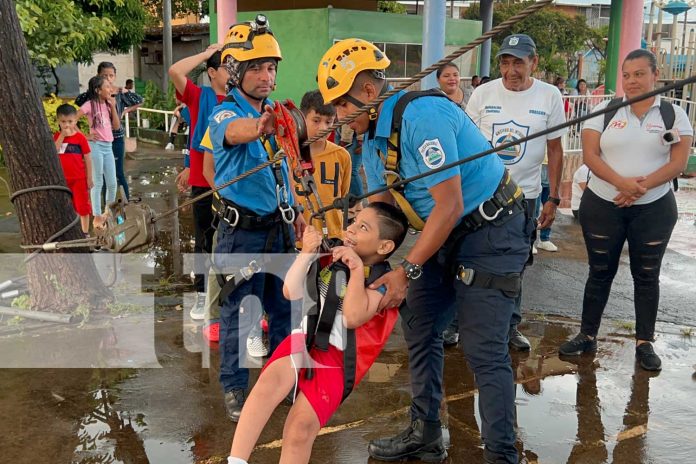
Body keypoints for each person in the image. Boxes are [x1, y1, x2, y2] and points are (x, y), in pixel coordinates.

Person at [317, 38, 531, 463]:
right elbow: (385, 208)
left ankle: (502, 456)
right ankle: (426, 432)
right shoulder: (373, 140)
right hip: (447, 232)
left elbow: (448, 203)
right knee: (421, 321)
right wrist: (349, 248)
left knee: (482, 346)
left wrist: (406, 270)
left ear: (366, 92)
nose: (335, 117)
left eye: (340, 105)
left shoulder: (422, 116)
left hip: (494, 229)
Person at [227, 204, 409, 464]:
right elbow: (290, 291)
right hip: (304, 337)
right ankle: (236, 460)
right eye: (354, 222)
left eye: (363, 228)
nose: (351, 229)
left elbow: (352, 316)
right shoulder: (331, 254)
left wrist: (356, 269)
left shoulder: (381, 283)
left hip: (336, 360)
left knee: (299, 429)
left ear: (384, 247)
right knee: (267, 386)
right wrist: (307, 252)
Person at [558, 49, 693, 371]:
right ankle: (587, 334)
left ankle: (644, 342)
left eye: (639, 74)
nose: (632, 81)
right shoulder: (604, 110)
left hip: (654, 208)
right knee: (599, 272)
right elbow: (591, 156)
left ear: (654, 75)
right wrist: (623, 184)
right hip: (603, 204)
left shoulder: (675, 115)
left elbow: (679, 163)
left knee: (647, 276)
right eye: (627, 75)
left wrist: (638, 188)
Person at [205, 15, 306, 422]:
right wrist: (261, 126)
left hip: (278, 229)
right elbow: (236, 132)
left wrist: (296, 210)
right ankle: (233, 387)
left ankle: (281, 381)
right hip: (241, 234)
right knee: (238, 311)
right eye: (257, 68)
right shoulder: (224, 115)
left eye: (270, 68)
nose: (266, 76)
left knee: (285, 310)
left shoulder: (278, 114)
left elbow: (284, 170)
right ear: (236, 73)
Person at [466, 34, 566, 352]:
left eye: (518, 62)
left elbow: (555, 149)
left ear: (533, 63)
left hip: (526, 197)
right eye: (506, 63)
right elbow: (465, 144)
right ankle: (456, 323)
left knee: (518, 262)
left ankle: (510, 325)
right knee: (466, 256)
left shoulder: (550, 96)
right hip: (481, 192)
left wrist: (554, 198)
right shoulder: (482, 94)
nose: (511, 70)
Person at [169, 43, 229, 319]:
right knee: (204, 237)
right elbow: (175, 70)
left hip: (232, 179)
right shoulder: (200, 96)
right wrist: (206, 54)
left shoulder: (239, 100)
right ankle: (202, 293)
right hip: (204, 179)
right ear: (213, 72)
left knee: (232, 238)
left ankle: (229, 292)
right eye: (227, 67)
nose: (233, 73)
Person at [75, 62, 143, 201]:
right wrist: (96, 89)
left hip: (116, 138)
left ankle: (125, 203)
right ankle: (106, 207)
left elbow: (139, 100)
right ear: (98, 76)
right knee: (101, 176)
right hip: (98, 141)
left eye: (111, 76)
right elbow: (78, 101)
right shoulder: (92, 97)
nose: (108, 78)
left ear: (115, 77)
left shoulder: (118, 94)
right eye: (104, 76)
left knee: (118, 173)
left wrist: (124, 104)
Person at [294, 89, 351, 241]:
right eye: (316, 120)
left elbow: (343, 193)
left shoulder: (342, 155)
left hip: (333, 236)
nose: (323, 128)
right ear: (302, 118)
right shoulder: (288, 156)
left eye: (329, 122)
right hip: (299, 238)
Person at [77, 75, 120, 229]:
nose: (110, 89)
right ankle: (96, 216)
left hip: (108, 146)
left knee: (112, 183)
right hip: (95, 146)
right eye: (107, 86)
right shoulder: (89, 105)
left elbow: (116, 127)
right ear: (98, 90)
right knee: (97, 182)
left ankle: (108, 213)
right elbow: (73, 119)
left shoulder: (108, 105)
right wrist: (85, 135)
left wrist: (113, 106)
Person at [53, 104, 93, 235]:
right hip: (62, 180)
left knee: (82, 207)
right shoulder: (57, 137)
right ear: (58, 121)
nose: (67, 125)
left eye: (70, 121)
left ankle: (85, 232)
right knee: (65, 207)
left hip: (79, 179)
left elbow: (87, 158)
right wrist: (62, 136)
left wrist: (89, 178)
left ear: (75, 121)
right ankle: (70, 232)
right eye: (63, 122)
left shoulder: (80, 138)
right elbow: (54, 151)